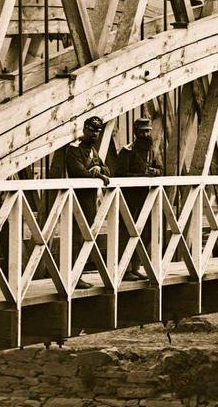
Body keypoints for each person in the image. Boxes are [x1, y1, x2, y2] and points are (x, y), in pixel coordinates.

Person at [56, 115, 111, 286]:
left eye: (98, 131)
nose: (95, 134)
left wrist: (99, 169)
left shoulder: (93, 151)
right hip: (76, 200)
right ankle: (72, 276)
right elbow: (77, 171)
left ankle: (77, 274)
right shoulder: (74, 149)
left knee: (85, 238)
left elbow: (107, 169)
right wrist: (95, 172)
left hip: (89, 202)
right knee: (75, 238)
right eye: (92, 130)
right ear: (85, 129)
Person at [114, 117, 163, 280]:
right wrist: (141, 176)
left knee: (145, 232)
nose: (145, 134)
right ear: (135, 132)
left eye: (148, 131)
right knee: (127, 231)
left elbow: (160, 168)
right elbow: (120, 174)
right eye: (142, 131)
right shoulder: (127, 151)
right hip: (129, 198)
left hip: (146, 198)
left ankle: (136, 267)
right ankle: (125, 270)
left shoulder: (151, 151)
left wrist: (155, 172)